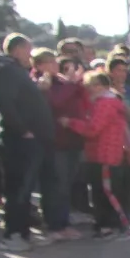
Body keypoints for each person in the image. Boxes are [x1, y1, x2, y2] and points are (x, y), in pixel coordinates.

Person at [0, 34, 57, 252]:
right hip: (18, 139)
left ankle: (23, 233)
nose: (30, 54)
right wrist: (23, 130)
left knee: (25, 190)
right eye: (28, 49)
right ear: (17, 49)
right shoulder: (6, 70)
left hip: (29, 138)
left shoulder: (16, 70)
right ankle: (13, 234)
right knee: (18, 189)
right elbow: (5, 104)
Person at [62, 71, 130, 239]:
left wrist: (70, 123)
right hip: (101, 154)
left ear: (102, 86)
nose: (89, 89)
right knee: (101, 192)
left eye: (93, 85)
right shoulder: (106, 102)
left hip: (106, 154)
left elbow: (92, 129)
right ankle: (105, 225)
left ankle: (122, 225)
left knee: (108, 192)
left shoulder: (106, 103)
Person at [42, 52, 92, 240]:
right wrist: (71, 83)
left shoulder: (64, 83)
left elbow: (81, 98)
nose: (55, 67)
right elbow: (56, 102)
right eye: (53, 63)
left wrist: (77, 83)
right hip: (58, 141)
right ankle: (57, 225)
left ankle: (62, 221)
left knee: (66, 183)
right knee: (58, 184)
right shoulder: (43, 83)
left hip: (73, 138)